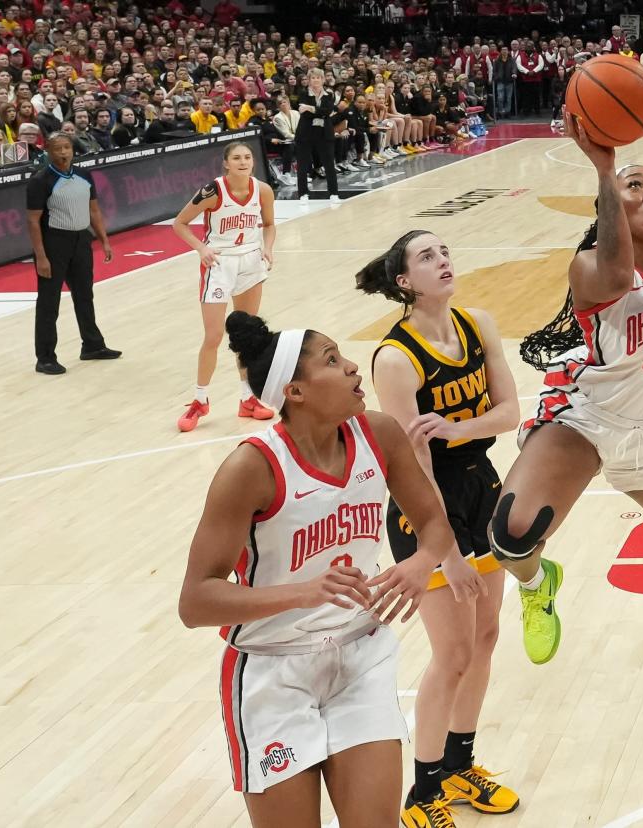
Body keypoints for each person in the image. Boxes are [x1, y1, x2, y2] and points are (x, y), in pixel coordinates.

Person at [493, 79, 643, 666]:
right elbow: (615, 269)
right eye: (637, 187)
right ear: (613, 204)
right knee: (511, 534)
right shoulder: (589, 270)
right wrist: (604, 173)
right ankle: (537, 585)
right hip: (586, 415)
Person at [178, 310, 458, 828]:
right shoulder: (252, 468)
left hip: (361, 656)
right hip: (271, 666)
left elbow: (434, 526)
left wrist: (421, 562)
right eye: (332, 360)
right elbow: (195, 602)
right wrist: (302, 593)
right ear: (296, 391)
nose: (354, 368)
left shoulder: (379, 434)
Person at [357, 230, 522, 826]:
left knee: (485, 639)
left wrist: (455, 429)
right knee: (451, 653)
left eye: (446, 251)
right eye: (427, 256)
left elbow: (511, 412)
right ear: (404, 282)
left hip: (480, 483)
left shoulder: (479, 324)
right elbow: (412, 462)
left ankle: (459, 765)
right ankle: (423, 791)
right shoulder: (395, 357)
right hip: (423, 504)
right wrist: (443, 549)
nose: (444, 260)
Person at [172, 142, 277, 431]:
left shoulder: (263, 190)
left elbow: (269, 225)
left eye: (247, 157)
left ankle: (247, 399)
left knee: (247, 335)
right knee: (215, 336)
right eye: (236, 158)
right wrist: (200, 249)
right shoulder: (213, 191)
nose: (243, 162)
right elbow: (179, 223)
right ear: (226, 164)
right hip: (219, 264)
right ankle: (200, 399)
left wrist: (268, 248)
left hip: (251, 262)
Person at [25, 133, 120, 375]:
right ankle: (45, 358)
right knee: (49, 302)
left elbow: (94, 211)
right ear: (49, 152)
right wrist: (41, 256)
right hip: (53, 243)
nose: (64, 152)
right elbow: (33, 221)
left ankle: (92, 345)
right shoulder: (40, 181)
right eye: (58, 149)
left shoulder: (84, 176)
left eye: (67, 147)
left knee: (85, 295)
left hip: (81, 240)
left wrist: (104, 240)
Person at [296, 68, 340, 201]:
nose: (316, 80)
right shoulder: (303, 93)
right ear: (309, 81)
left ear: (323, 80)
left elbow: (328, 111)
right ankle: (303, 193)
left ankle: (333, 193)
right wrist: (318, 111)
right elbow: (306, 114)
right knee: (303, 165)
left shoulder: (329, 95)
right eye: (313, 78)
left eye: (318, 78)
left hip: (324, 133)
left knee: (329, 165)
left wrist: (311, 108)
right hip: (305, 133)